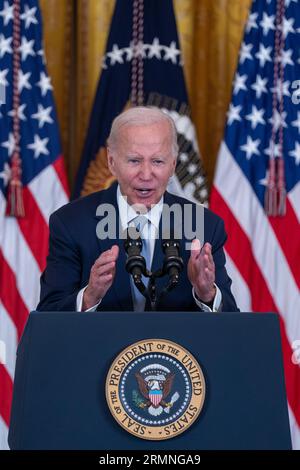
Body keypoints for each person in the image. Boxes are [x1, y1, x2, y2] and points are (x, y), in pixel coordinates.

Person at [37, 106, 238, 313]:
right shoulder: (71, 223)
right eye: (134, 160)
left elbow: (232, 325)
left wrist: (207, 295)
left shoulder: (204, 226)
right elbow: (48, 316)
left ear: (173, 164)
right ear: (112, 162)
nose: (146, 174)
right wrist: (89, 296)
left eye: (158, 161)